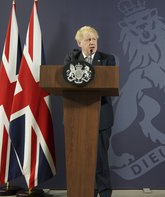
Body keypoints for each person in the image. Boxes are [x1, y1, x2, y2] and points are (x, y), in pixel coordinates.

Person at [64, 26, 115, 197]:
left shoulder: (107, 59)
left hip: (101, 117)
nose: (92, 42)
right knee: (80, 160)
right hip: (76, 118)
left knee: (100, 160)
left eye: (94, 39)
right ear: (79, 43)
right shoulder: (71, 59)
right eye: (88, 40)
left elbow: (109, 85)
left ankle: (105, 192)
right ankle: (85, 191)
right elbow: (65, 84)